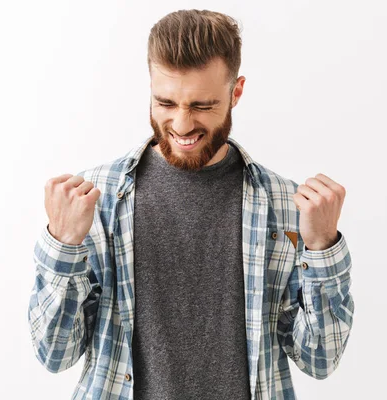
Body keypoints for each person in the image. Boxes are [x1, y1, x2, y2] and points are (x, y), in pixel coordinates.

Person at [28, 9, 354, 400]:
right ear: (150, 87)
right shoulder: (93, 199)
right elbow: (54, 354)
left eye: (201, 106)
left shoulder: (286, 205)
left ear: (236, 92)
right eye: (165, 103)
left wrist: (323, 250)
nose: (182, 125)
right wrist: (64, 245)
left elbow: (319, 359)